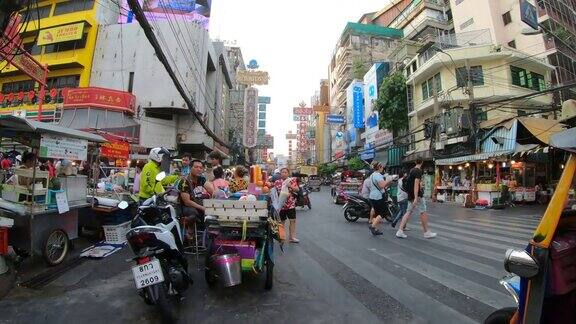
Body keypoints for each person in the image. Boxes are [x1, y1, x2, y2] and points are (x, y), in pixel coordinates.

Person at [396, 159, 437, 239]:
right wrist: (416, 197)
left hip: (410, 194)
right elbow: (416, 184)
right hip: (417, 195)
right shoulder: (418, 171)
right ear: (422, 162)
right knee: (423, 211)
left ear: (415, 162)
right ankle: (426, 232)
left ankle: (400, 231)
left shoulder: (411, 170)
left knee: (408, 212)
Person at [179, 159, 214, 228]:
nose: (199, 169)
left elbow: (212, 191)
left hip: (199, 203)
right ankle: (189, 231)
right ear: (190, 168)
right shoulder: (184, 181)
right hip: (188, 207)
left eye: (201, 168)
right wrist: (202, 208)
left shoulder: (201, 179)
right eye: (196, 167)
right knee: (193, 214)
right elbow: (187, 202)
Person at [368, 161, 394, 236]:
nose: (383, 168)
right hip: (378, 197)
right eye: (382, 166)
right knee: (383, 213)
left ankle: (375, 229)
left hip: (372, 196)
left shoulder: (372, 175)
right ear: (379, 167)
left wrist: (388, 182)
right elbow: (382, 185)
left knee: (377, 214)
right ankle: (372, 226)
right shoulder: (378, 175)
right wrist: (389, 179)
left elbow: (381, 186)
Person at [274, 167, 300, 243]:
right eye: (282, 172)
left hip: (291, 204)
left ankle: (292, 237)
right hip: (281, 205)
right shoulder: (277, 182)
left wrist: (290, 186)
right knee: (282, 222)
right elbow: (274, 193)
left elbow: (297, 189)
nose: (284, 173)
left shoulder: (292, 181)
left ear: (288, 173)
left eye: (285, 172)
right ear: (280, 173)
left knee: (292, 221)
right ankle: (282, 237)